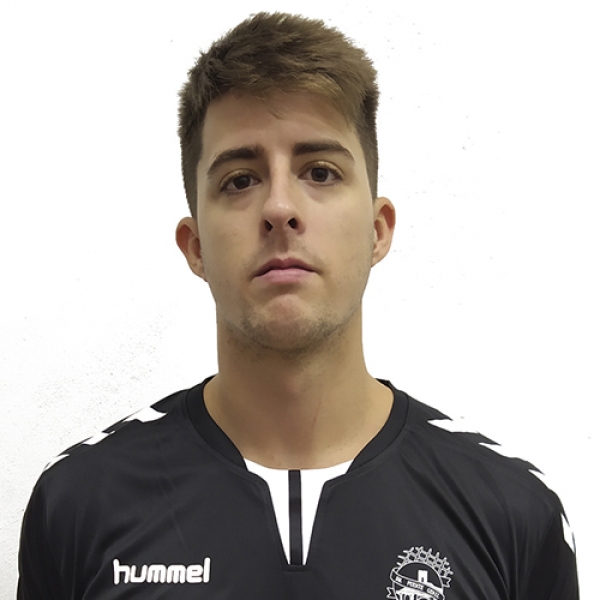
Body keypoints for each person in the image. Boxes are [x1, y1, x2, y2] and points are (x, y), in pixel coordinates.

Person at [17, 12, 578, 599]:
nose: (280, 208)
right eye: (240, 180)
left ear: (378, 231)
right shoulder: (79, 502)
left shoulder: (513, 512)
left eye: (320, 172)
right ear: (196, 246)